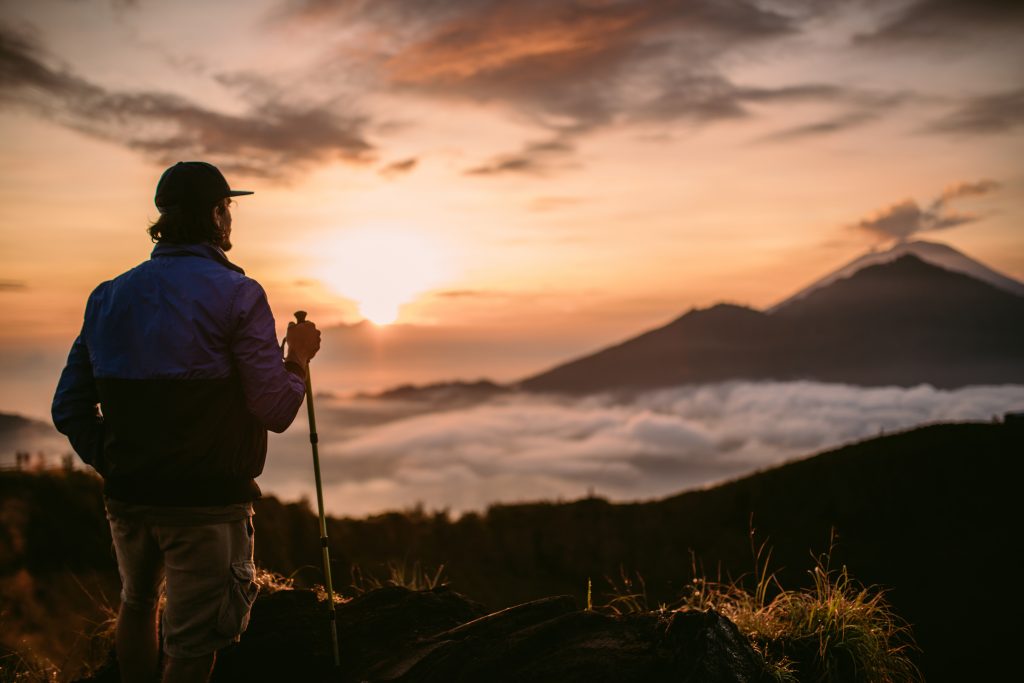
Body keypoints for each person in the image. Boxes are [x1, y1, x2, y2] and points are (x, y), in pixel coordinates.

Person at [52, 161, 321, 683]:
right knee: (194, 643)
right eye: (228, 209)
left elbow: (69, 407)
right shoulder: (239, 295)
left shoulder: (108, 295)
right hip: (206, 507)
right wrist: (298, 360)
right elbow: (276, 410)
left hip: (129, 498)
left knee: (136, 605)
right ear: (219, 216)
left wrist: (113, 461)